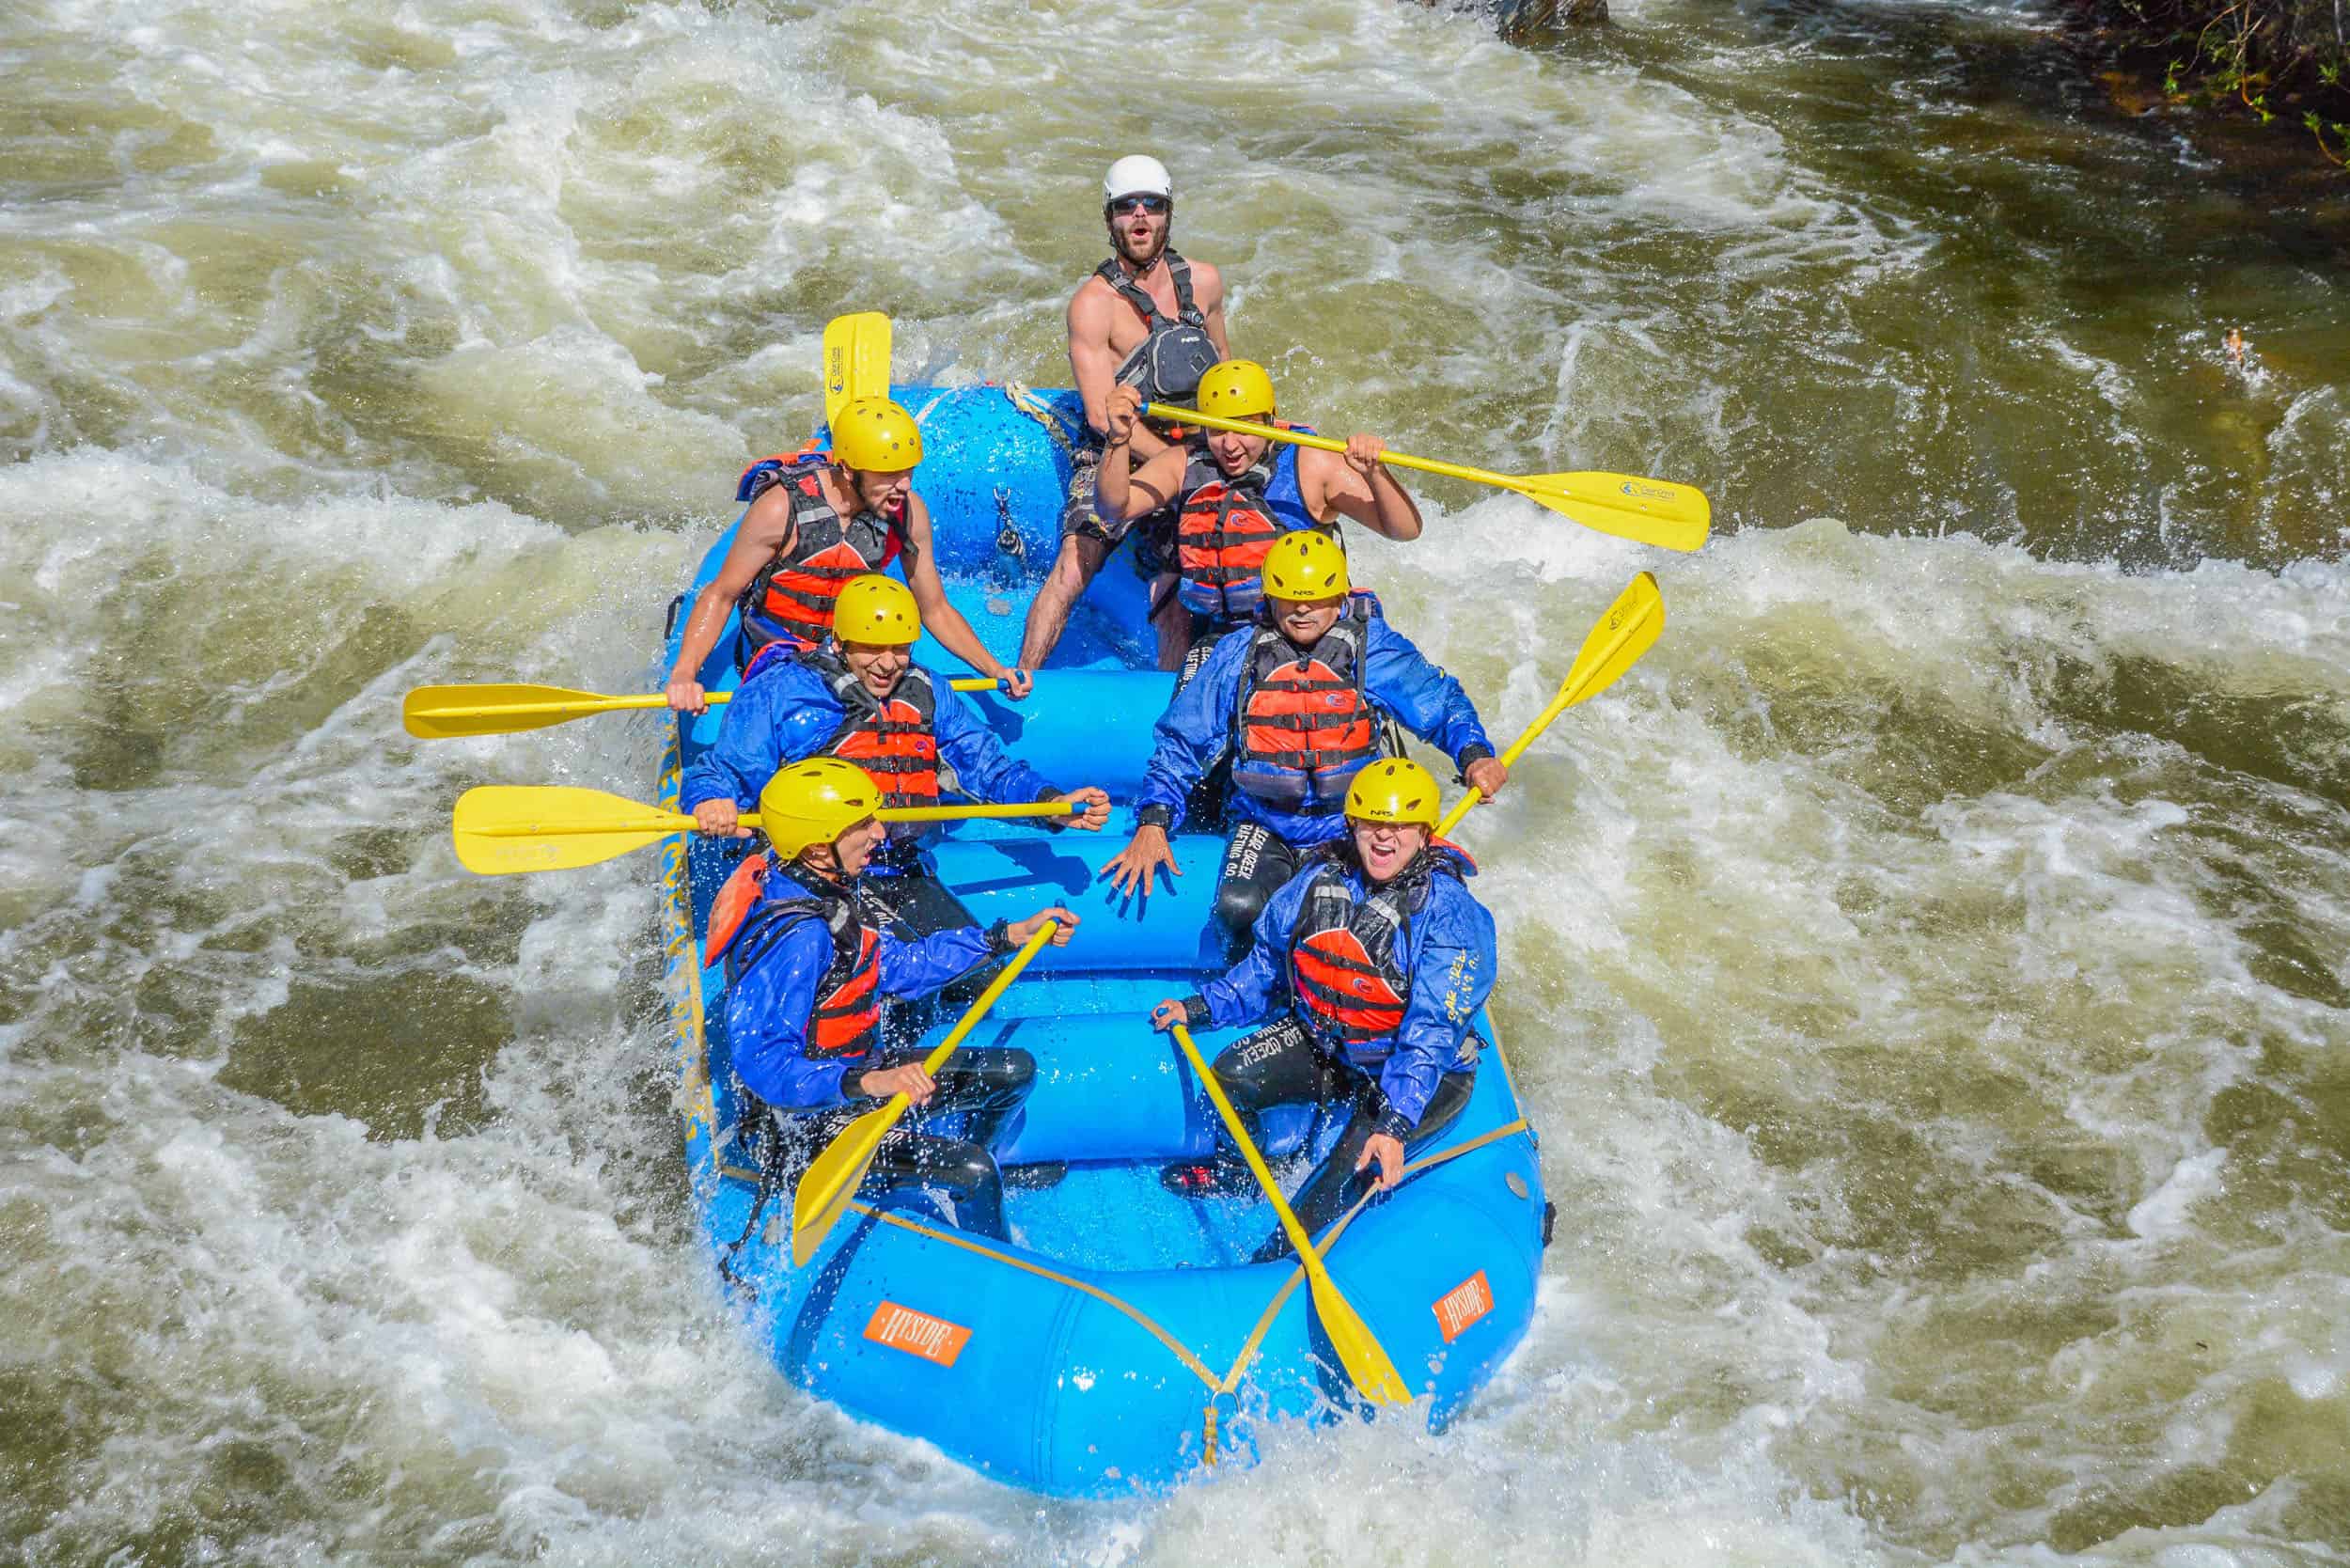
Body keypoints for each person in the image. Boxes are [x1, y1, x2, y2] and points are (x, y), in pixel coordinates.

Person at [713, 757, 1078, 1244]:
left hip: (859, 1079)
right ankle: (989, 1244)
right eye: (863, 824)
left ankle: (955, 1186)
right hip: (808, 1126)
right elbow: (765, 1064)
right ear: (819, 847)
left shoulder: (831, 890)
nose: (880, 833)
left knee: (1014, 1073)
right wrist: (869, 1082)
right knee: (974, 1172)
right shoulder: (797, 937)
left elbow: (900, 968)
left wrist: (1003, 937)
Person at [1147, 759, 1495, 1258]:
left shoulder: (1449, 914)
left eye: (1400, 826)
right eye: (1372, 823)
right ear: (1352, 825)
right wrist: (1203, 1006)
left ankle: (1271, 1268)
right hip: (1331, 1045)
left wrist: (1394, 1124)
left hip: (1416, 1073)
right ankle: (1242, 1173)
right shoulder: (1320, 877)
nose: (1384, 837)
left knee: (1330, 1192)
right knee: (1231, 1076)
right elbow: (1267, 964)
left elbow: (1432, 1029)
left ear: (1425, 833)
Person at [1101, 529, 1507, 956]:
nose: (1301, 610)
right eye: (1289, 599)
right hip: (1265, 819)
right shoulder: (1238, 653)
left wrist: (1474, 755)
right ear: (1269, 598)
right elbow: (1182, 741)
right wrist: (1154, 821)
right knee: (1238, 909)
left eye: (1314, 599)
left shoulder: (1373, 650)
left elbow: (1441, 703)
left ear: (1340, 596)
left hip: (1350, 824)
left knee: (1362, 925)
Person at [683, 574, 1111, 939]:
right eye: (872, 649)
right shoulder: (784, 691)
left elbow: (985, 768)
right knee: (886, 975)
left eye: (900, 649)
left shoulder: (928, 691)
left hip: (901, 869)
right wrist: (711, 800)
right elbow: (723, 771)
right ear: (840, 642)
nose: (888, 664)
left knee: (973, 977)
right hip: (817, 872)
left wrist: (1050, 803)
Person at [666, 397, 1029, 711]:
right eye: (888, 475)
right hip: (779, 651)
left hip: (855, 654)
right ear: (847, 470)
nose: (903, 485)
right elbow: (721, 594)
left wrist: (994, 669)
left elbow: (934, 608)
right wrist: (685, 674)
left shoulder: (908, 513)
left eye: (907, 472)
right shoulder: (780, 509)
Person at [1018, 155, 1232, 676]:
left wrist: (1232, 454)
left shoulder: (1204, 283)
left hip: (1190, 450)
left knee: (1178, 591)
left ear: (1168, 213)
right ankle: (1024, 678)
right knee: (1075, 564)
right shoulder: (1094, 304)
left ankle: (1172, 700)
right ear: (1109, 218)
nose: (1140, 216)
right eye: (1126, 207)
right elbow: (1099, 414)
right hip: (1117, 450)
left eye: (1152, 205)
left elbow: (1227, 374)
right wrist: (1177, 469)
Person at [1095, 360, 1424, 666]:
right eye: (1218, 431)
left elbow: (1405, 530)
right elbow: (1113, 508)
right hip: (1228, 633)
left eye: (1244, 428)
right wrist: (1118, 439)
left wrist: (1375, 473)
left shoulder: (1312, 463)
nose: (1230, 445)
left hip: (1306, 628)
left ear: (1270, 421)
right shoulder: (1184, 463)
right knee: (1170, 592)